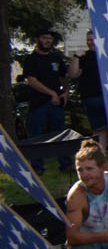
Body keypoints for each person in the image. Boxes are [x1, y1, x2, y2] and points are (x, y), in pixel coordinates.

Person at [22, 29, 68, 173]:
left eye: (50, 38)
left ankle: (66, 165)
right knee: (37, 136)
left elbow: (63, 75)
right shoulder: (31, 59)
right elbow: (32, 81)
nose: (48, 40)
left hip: (57, 104)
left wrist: (65, 92)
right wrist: (51, 93)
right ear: (37, 40)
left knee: (61, 134)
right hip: (38, 103)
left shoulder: (56, 57)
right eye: (44, 38)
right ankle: (37, 167)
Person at [69, 30, 108, 151]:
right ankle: (100, 159)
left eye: (93, 39)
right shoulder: (83, 57)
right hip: (91, 98)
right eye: (88, 39)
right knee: (99, 130)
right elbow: (73, 74)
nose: (91, 42)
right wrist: (76, 57)